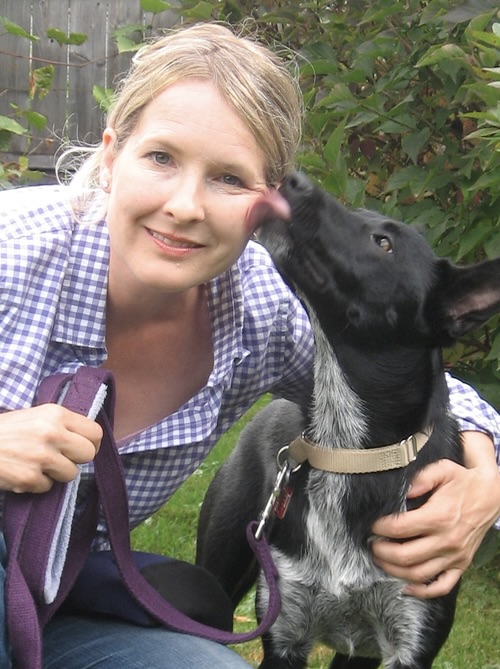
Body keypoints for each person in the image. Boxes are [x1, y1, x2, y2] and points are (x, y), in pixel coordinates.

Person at [0, 21, 498, 669]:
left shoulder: (259, 307)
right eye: (161, 158)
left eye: (229, 179)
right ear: (113, 155)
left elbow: (416, 378)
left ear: (267, 205)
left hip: (59, 595)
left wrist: (485, 481)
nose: (185, 205)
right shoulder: (14, 249)